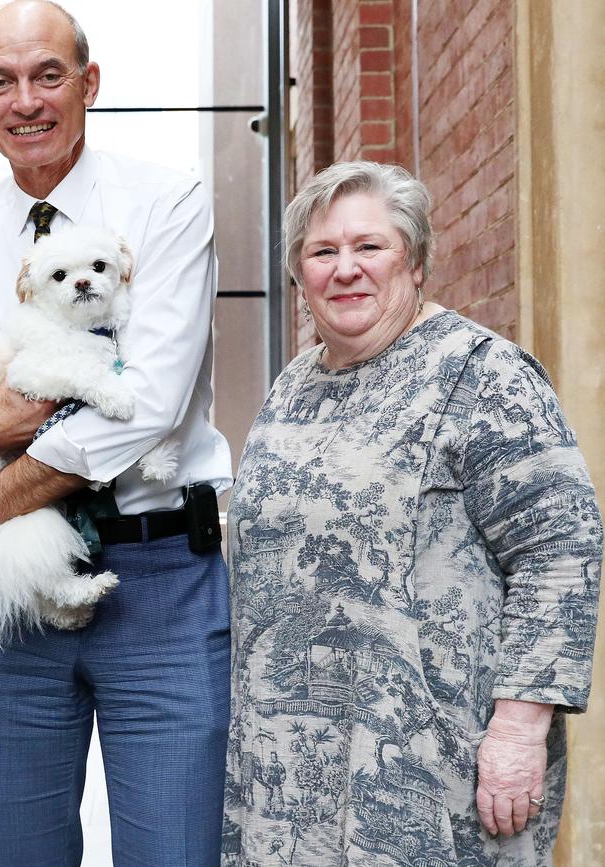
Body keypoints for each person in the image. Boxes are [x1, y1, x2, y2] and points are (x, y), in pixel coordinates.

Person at [221, 161, 602, 866]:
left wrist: (520, 728)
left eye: (370, 247)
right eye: (321, 251)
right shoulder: (290, 388)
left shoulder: (481, 373)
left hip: (433, 773)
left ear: (417, 260)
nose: (345, 269)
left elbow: (561, 549)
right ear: (299, 277)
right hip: (288, 783)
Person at [0, 2, 232, 865]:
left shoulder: (165, 203)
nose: (26, 100)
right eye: (1, 81)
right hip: (10, 598)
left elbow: (145, 402)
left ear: (89, 83)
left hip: (162, 583)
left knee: (175, 853)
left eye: (48, 75)